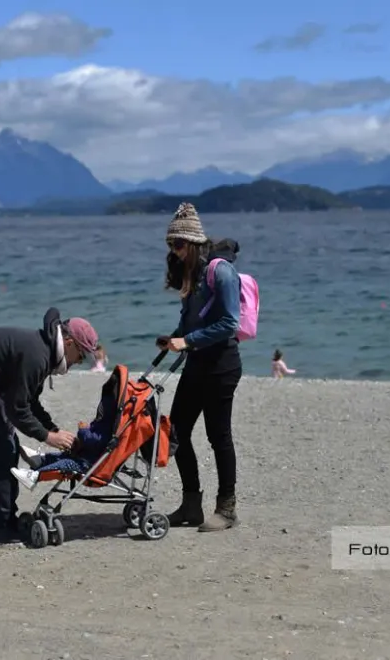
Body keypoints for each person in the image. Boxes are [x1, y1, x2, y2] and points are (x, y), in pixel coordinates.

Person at [0, 307, 99, 543]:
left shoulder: (43, 350)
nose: (79, 362)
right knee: (0, 448)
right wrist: (47, 437)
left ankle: (5, 520)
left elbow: (29, 401)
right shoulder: (37, 356)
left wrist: (52, 429)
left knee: (7, 445)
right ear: (70, 343)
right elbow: (17, 409)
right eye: (81, 356)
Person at [156, 202, 243, 532]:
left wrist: (188, 341)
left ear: (192, 242)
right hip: (197, 365)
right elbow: (191, 319)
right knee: (176, 431)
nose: (174, 252)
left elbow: (229, 322)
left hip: (222, 366)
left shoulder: (221, 271)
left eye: (178, 245)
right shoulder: (191, 274)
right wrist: (175, 338)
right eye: (170, 245)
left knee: (218, 436)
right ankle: (191, 503)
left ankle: (227, 509)